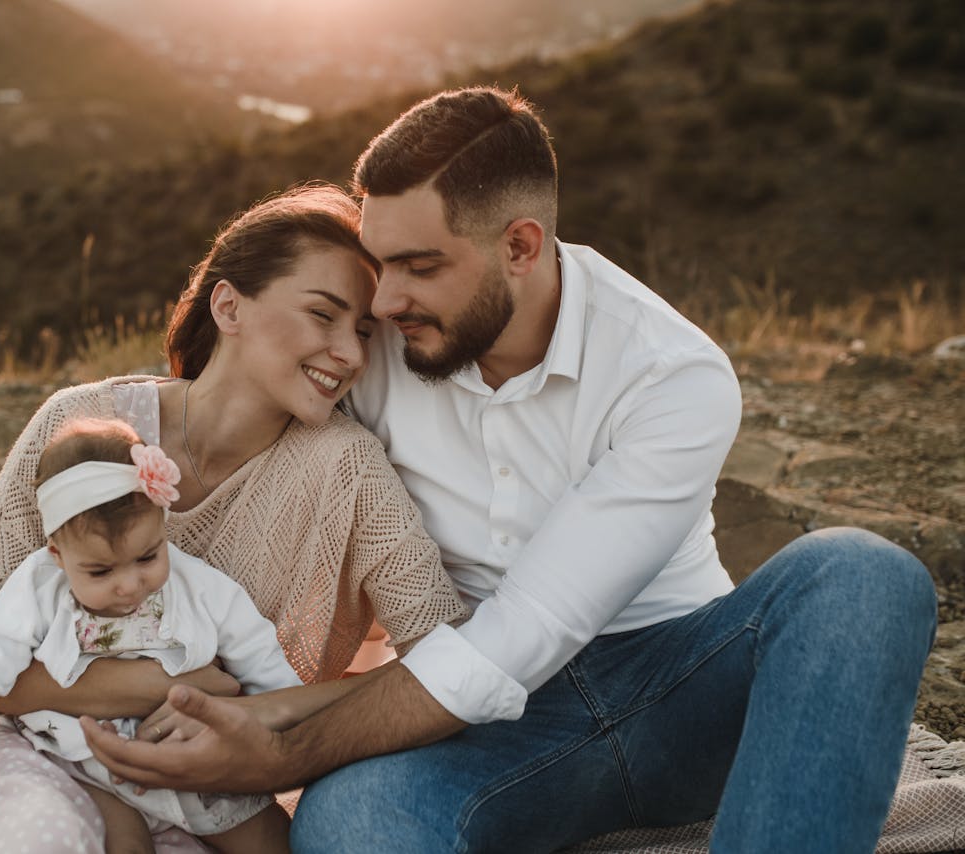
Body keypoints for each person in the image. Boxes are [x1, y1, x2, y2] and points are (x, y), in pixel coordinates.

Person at [82, 87, 940, 853]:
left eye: (420, 267)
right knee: (349, 828)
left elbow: (533, 626)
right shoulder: (374, 346)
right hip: (488, 734)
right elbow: (248, 438)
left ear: (521, 247)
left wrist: (283, 747)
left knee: (862, 575)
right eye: (382, 265)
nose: (383, 303)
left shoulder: (670, 372)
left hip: (680, 689)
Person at [0, 184, 468, 854]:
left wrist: (261, 719)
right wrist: (165, 686)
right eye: (321, 314)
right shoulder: (80, 424)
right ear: (229, 306)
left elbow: (449, 658)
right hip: (27, 749)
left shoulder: (348, 468)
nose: (348, 353)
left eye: (365, 332)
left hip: (210, 788)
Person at [0, 418, 308, 854]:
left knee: (272, 838)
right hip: (91, 767)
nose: (129, 585)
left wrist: (295, 735)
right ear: (58, 554)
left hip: (192, 758)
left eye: (147, 557)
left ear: (163, 524)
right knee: (125, 844)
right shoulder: (38, 589)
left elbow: (262, 659)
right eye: (101, 571)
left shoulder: (201, 587)